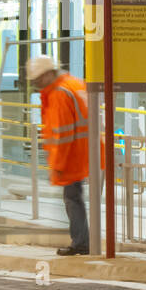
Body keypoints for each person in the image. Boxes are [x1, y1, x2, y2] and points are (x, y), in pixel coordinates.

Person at [28, 54, 90, 256]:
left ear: (48, 74)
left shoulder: (59, 94)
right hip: (86, 150)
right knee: (75, 198)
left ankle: (81, 242)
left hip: (73, 155)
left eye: (38, 80)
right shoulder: (74, 84)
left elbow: (62, 134)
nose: (37, 84)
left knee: (72, 199)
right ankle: (83, 241)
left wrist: (57, 165)